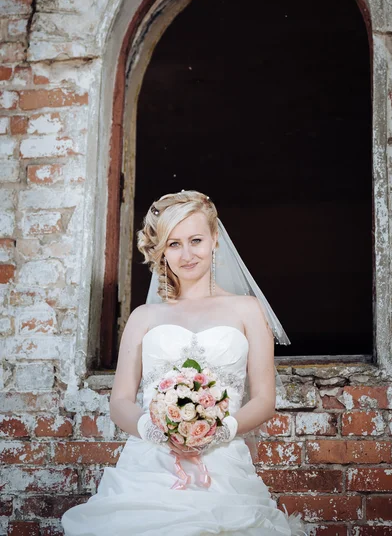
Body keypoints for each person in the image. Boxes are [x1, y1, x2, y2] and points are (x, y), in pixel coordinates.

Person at [62, 190, 306, 535]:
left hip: (222, 461)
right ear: (160, 249)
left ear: (215, 239)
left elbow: (265, 400)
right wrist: (153, 430)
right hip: (148, 465)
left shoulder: (247, 310)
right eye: (174, 244)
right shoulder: (143, 316)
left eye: (195, 240)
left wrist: (220, 431)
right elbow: (119, 401)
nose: (187, 254)